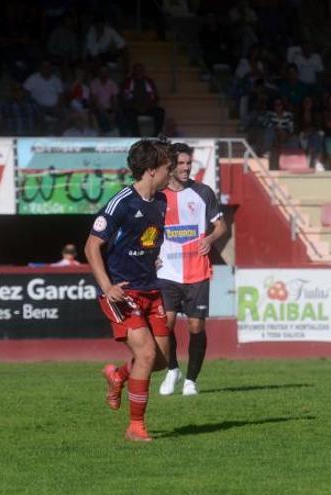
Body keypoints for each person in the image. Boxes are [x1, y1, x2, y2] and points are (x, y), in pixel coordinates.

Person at [84, 139, 174, 442]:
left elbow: (145, 240)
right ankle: (136, 427)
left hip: (151, 289)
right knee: (146, 354)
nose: (170, 173)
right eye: (166, 168)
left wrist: (152, 256)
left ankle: (118, 375)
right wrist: (107, 286)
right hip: (123, 293)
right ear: (150, 171)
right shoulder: (121, 202)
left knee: (161, 361)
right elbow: (92, 246)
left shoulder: (161, 201)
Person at [157, 143, 227, 397]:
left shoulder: (203, 192)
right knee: (166, 324)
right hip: (167, 272)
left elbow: (221, 226)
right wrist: (152, 256)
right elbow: (148, 232)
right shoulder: (158, 195)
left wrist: (209, 239)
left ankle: (191, 381)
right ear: (171, 166)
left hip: (197, 271)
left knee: (196, 327)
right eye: (182, 164)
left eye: (189, 163)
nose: (187, 168)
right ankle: (172, 369)